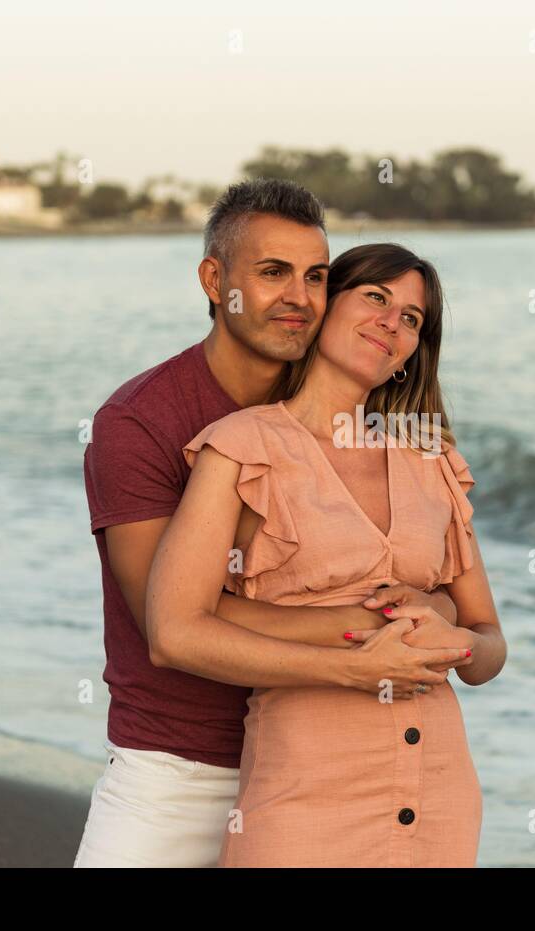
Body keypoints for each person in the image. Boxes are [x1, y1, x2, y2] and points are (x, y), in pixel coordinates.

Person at [73, 182, 463, 867]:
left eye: (316, 276)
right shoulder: (138, 423)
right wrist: (372, 628)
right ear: (214, 279)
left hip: (320, 765)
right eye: (273, 272)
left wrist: (427, 608)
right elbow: (172, 624)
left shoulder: (341, 416)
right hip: (183, 768)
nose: (299, 297)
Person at [147, 242, 507, 867]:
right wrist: (355, 665)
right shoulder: (242, 447)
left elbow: (488, 648)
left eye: (413, 319)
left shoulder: (433, 459)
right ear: (323, 309)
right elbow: (174, 633)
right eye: (375, 298)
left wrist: (447, 627)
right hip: (303, 794)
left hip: (439, 794)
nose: (392, 323)